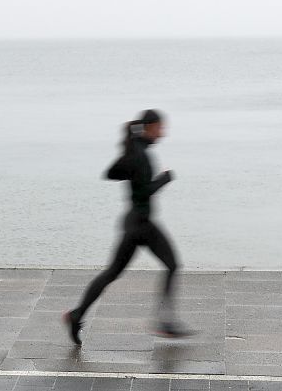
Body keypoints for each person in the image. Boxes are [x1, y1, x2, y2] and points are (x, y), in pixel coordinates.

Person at [63, 109, 191, 344]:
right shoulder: (140, 154)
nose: (163, 133)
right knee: (172, 265)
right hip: (141, 224)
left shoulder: (135, 149)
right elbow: (143, 191)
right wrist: (164, 179)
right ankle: (165, 322)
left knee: (113, 272)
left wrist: (130, 164)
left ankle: (77, 315)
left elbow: (112, 173)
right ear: (150, 127)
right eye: (161, 128)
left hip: (133, 223)